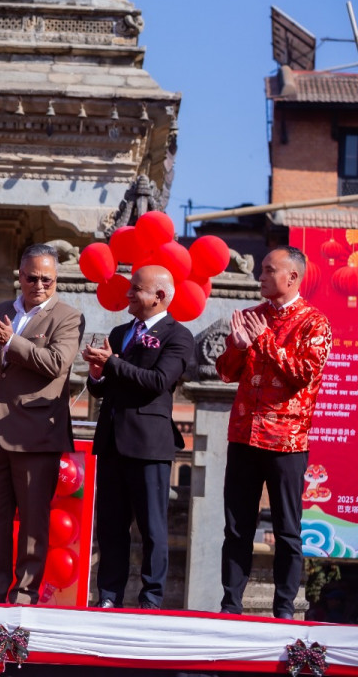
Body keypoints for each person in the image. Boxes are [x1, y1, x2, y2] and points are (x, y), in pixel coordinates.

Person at [216, 245, 332, 620]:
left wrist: (262, 342)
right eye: (262, 270)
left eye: (268, 270)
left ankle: (284, 610)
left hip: (287, 440)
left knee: (287, 530)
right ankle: (230, 605)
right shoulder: (251, 316)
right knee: (237, 527)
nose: (260, 276)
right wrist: (235, 347)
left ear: (291, 277)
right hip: (245, 434)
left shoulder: (315, 323)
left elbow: (302, 373)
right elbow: (226, 372)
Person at [0, 243, 83, 604]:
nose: (40, 286)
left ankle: (25, 593)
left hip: (37, 433)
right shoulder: (4, 310)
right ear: (20, 277)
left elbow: (55, 364)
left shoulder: (68, 316)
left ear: (56, 279)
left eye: (48, 280)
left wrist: (11, 341)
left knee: (33, 522)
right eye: (32, 278)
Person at [82, 265, 194, 610]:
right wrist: (97, 374)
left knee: (152, 528)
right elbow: (101, 389)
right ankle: (109, 597)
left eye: (136, 289)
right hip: (113, 439)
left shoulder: (178, 336)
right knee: (112, 527)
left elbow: (158, 381)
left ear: (158, 296)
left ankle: (151, 598)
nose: (128, 294)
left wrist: (113, 365)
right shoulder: (118, 332)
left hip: (149, 444)